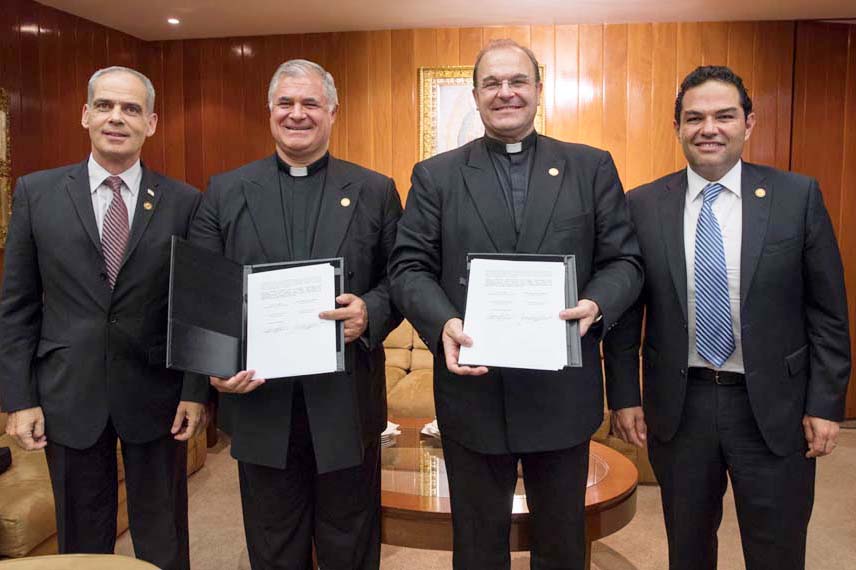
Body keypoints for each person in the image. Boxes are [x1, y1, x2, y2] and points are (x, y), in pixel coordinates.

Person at [388, 39, 643, 569]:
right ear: (476, 95)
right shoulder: (435, 176)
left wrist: (596, 303)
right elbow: (408, 268)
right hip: (473, 394)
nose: (505, 93)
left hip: (561, 396)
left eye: (517, 81)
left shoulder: (590, 167)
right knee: (478, 548)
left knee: (562, 545)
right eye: (492, 84)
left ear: (538, 91)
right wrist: (444, 323)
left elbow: (625, 263)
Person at [603, 65, 851, 570]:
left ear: (749, 123)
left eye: (724, 115)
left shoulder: (796, 197)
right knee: (688, 548)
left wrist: (826, 403)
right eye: (694, 118)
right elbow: (627, 315)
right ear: (677, 128)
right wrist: (625, 395)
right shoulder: (644, 204)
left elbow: (827, 312)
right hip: (682, 404)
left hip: (774, 409)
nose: (708, 128)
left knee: (777, 549)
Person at [189, 59, 402, 570]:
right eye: (285, 103)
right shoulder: (226, 191)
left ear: (332, 111)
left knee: (350, 544)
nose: (297, 114)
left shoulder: (375, 189)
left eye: (310, 103)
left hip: (346, 402)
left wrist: (369, 311)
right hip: (262, 402)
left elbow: (403, 278)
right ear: (269, 112)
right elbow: (203, 291)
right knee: (273, 546)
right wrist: (215, 364)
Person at [0, 66, 207, 570]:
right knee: (82, 542)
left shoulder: (184, 201)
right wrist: (19, 399)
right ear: (85, 115)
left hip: (157, 396)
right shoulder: (36, 193)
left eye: (132, 109)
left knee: (164, 538)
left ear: (152, 123)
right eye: (106, 106)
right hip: (68, 395)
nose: (118, 118)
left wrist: (194, 390)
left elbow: (196, 307)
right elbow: (17, 306)